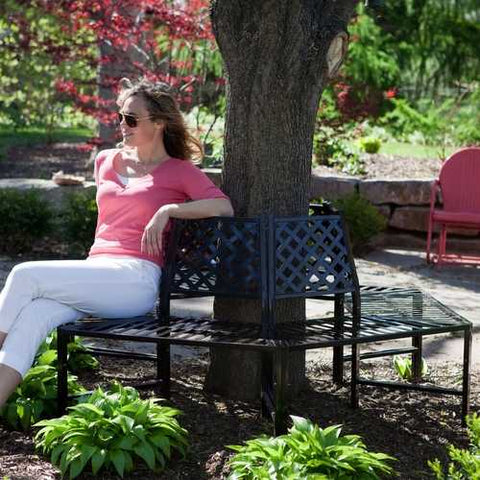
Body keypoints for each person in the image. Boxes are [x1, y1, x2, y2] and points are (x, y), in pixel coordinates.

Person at [0, 78, 233, 407]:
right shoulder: (105, 161)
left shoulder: (179, 171)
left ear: (160, 123)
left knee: (25, 275)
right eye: (121, 116)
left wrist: (169, 209)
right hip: (97, 272)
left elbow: (223, 206)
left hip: (135, 279)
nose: (122, 125)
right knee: (35, 315)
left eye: (132, 119)